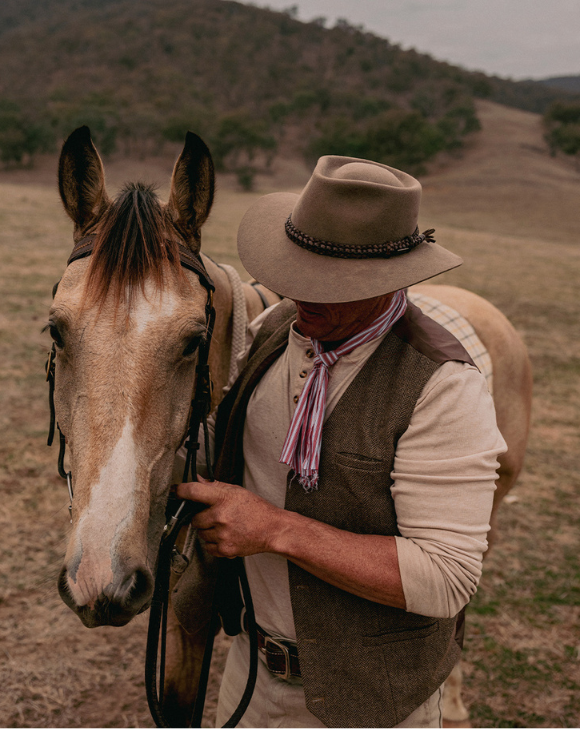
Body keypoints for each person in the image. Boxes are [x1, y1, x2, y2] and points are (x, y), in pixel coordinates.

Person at [174, 156, 506, 728]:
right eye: (296, 269)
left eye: (329, 281)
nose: (300, 291)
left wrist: (274, 528)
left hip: (375, 701)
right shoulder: (277, 330)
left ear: (390, 279)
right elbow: (214, 439)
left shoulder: (443, 386)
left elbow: (446, 577)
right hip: (252, 677)